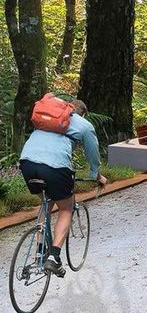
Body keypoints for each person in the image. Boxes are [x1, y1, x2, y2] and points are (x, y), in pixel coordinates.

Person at [19, 99, 107, 278]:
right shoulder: (84, 124)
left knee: (46, 202)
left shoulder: (49, 115)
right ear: (82, 113)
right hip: (55, 167)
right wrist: (97, 175)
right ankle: (54, 257)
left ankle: (40, 251)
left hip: (27, 162)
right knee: (66, 208)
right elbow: (93, 154)